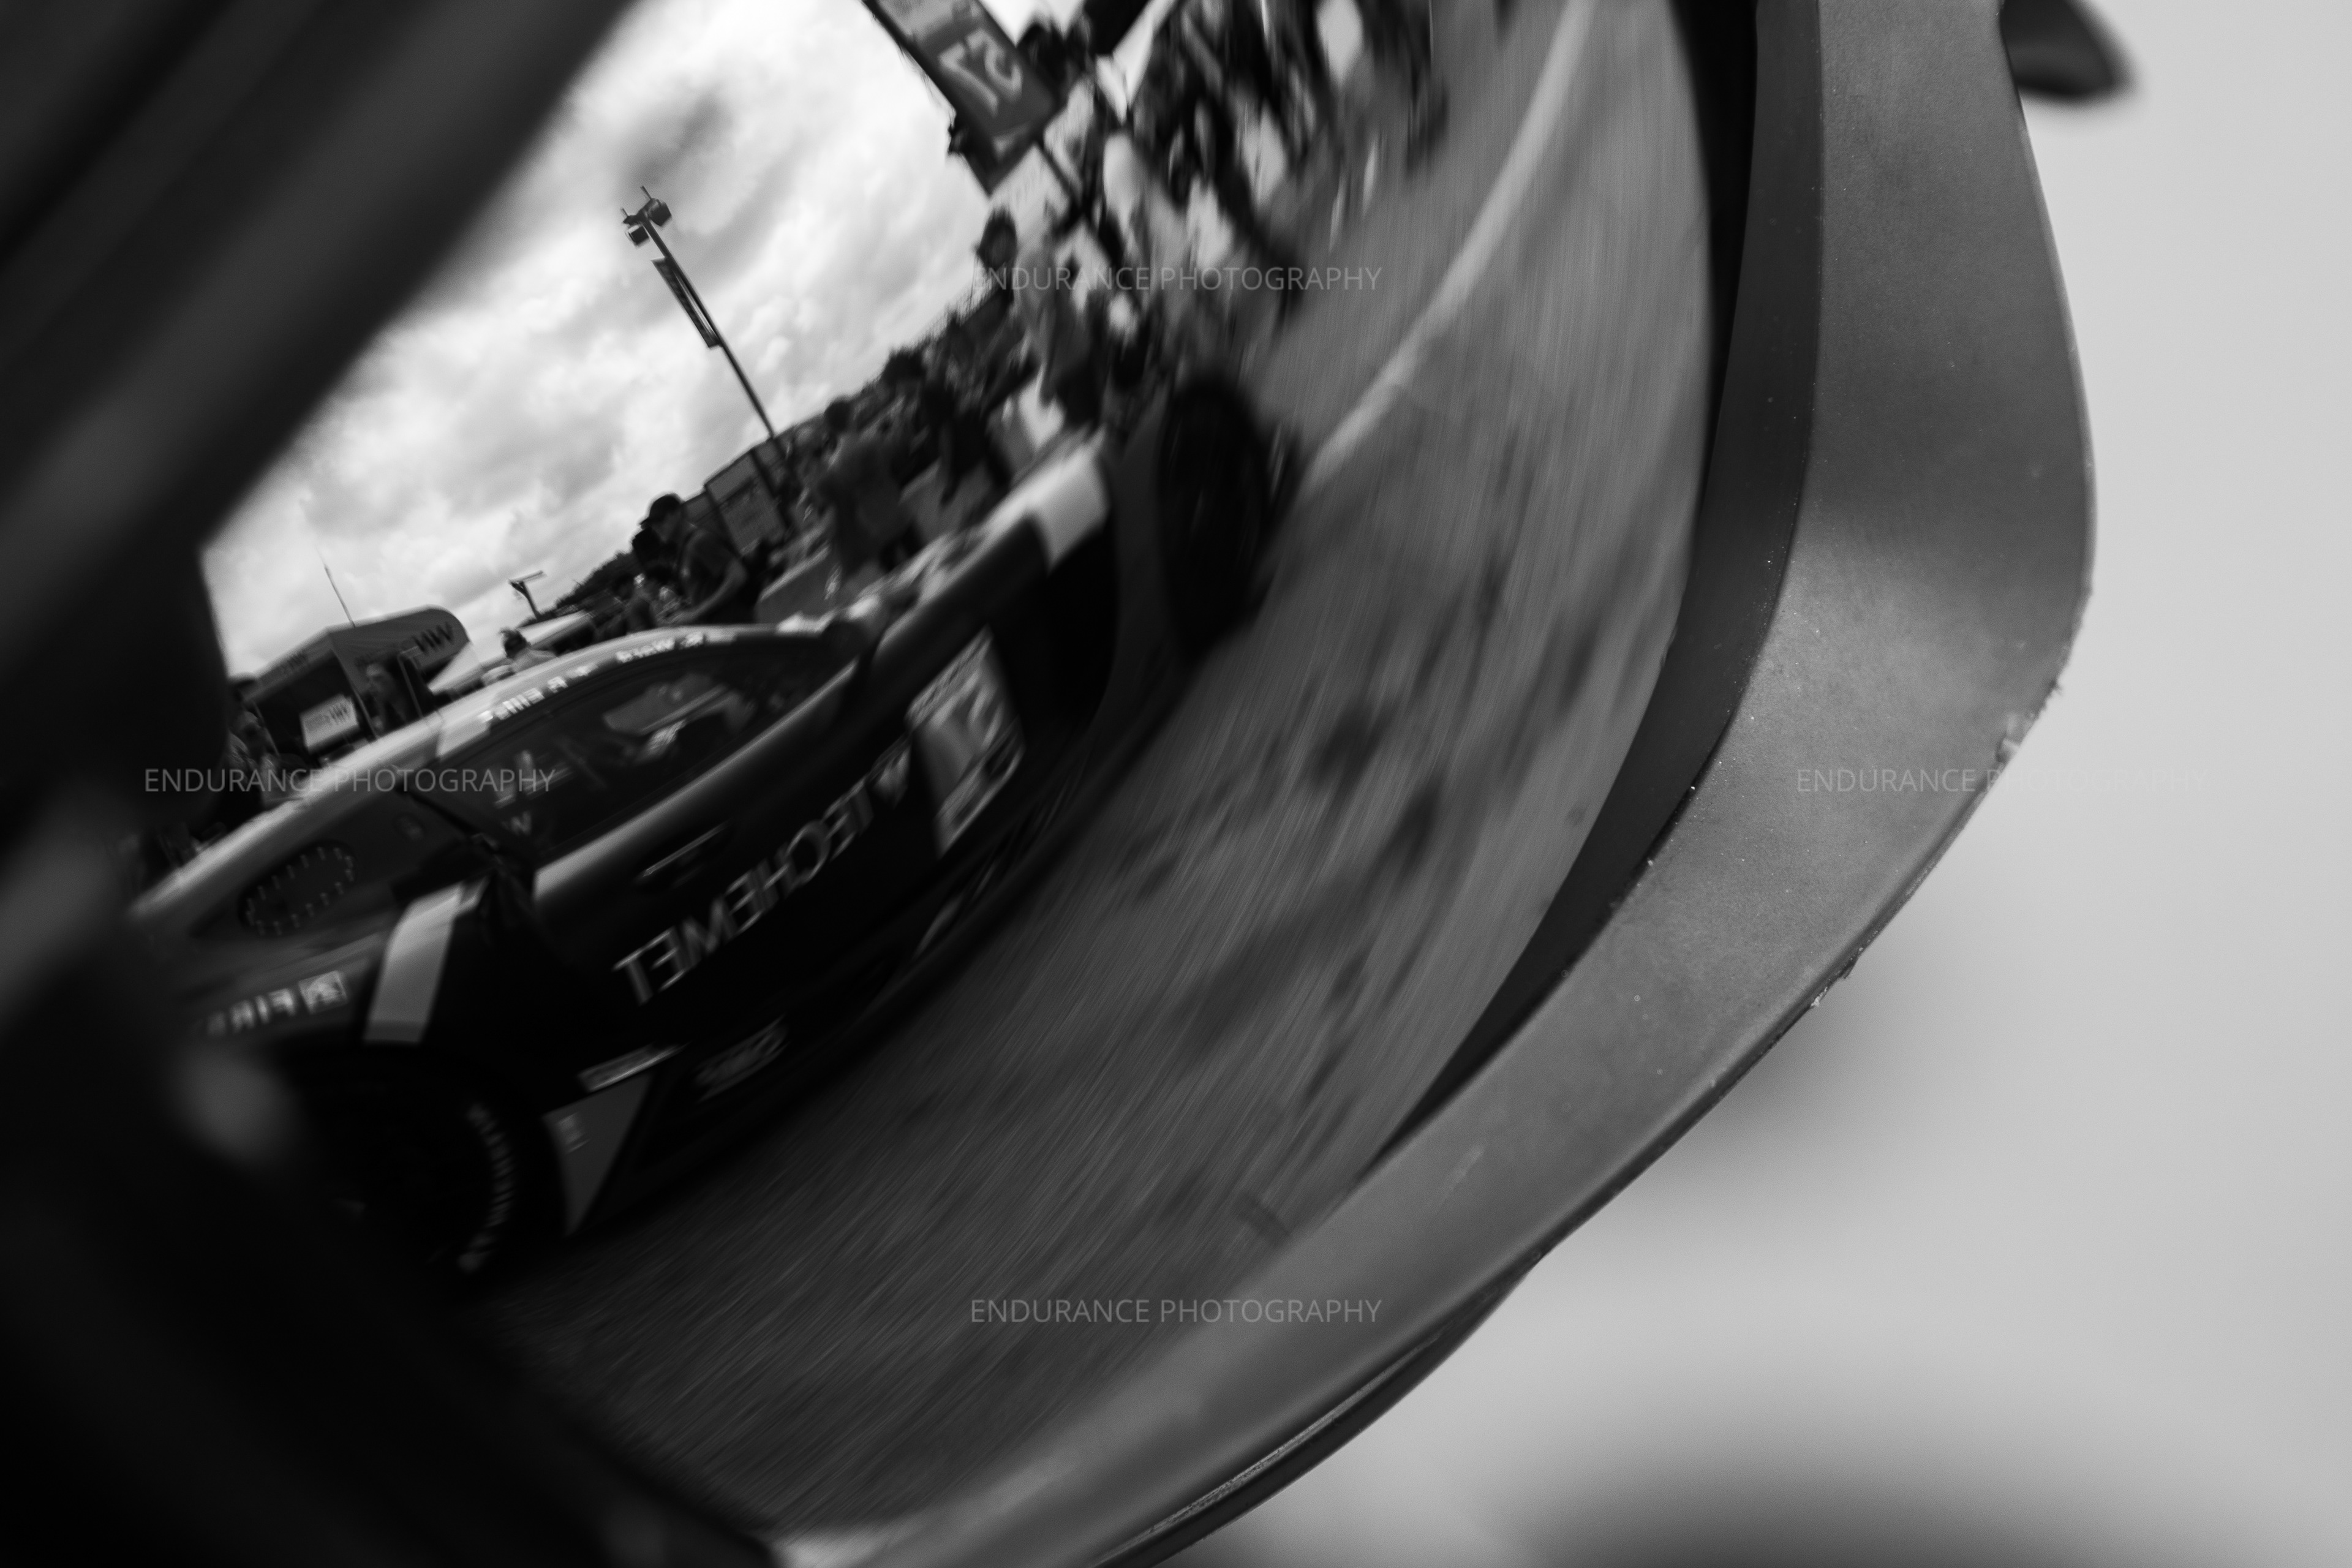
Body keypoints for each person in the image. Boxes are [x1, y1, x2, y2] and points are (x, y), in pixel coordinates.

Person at [813, 400, 923, 574]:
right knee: (925, 563)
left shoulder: (834, 464)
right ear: (851, 417)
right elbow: (898, 457)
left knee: (896, 579)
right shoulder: (871, 441)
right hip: (896, 513)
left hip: (872, 529)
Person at [646, 492, 759, 623]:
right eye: (652, 524)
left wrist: (696, 613)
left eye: (660, 520)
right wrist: (684, 607)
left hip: (734, 625)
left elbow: (738, 576)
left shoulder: (700, 542)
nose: (656, 528)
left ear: (678, 513)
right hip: (720, 628)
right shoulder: (686, 549)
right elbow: (706, 590)